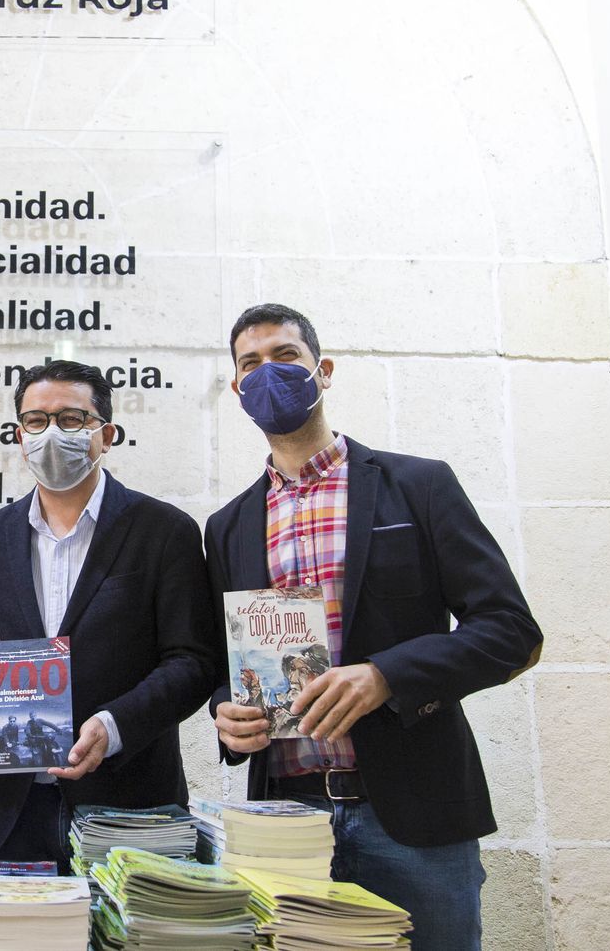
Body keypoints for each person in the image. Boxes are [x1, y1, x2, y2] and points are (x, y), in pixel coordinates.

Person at [208, 303, 542, 951]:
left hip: (415, 816)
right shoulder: (227, 526)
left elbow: (511, 629)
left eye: (285, 357)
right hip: (289, 818)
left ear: (322, 371)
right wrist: (227, 713)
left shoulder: (418, 485)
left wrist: (389, 675)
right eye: (251, 365)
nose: (268, 375)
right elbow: (226, 668)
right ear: (237, 389)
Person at [0, 360, 215, 870]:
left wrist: (116, 725)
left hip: (131, 807)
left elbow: (193, 661)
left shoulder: (164, 531)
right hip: (14, 814)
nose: (51, 433)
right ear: (19, 434)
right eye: (36, 421)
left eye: (71, 419)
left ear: (106, 433)